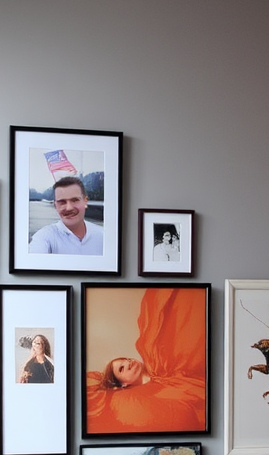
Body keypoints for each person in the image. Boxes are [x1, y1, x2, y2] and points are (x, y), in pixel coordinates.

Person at [86, 287, 207, 435]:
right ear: (123, 384)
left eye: (127, 359)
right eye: (122, 368)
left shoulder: (154, 357)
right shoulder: (146, 399)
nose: (129, 362)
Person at [28, 176, 104, 257]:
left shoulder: (104, 236)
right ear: (55, 206)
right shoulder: (44, 237)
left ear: (85, 201)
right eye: (62, 202)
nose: (69, 208)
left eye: (75, 200)